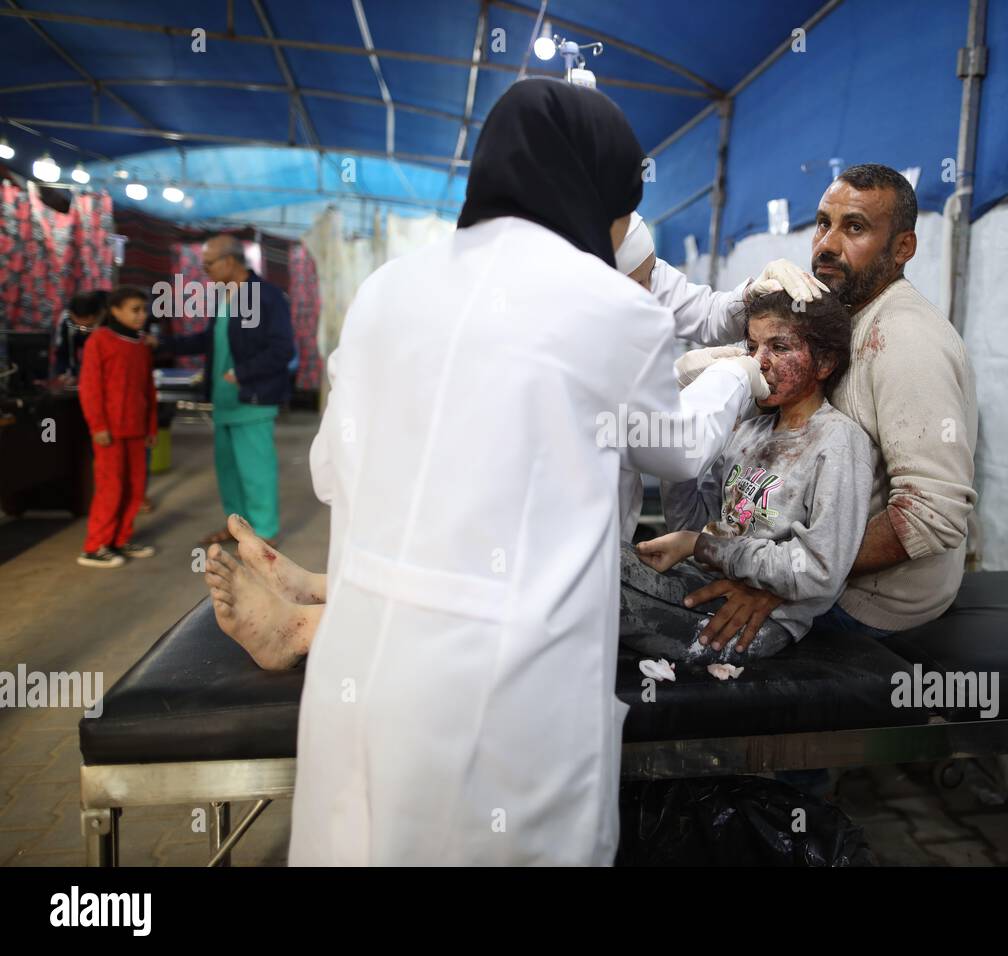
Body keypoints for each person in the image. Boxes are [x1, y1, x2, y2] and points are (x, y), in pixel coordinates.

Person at [269, 78, 767, 866]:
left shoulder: (384, 291)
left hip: (364, 671)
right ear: (595, 190)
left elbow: (330, 469)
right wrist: (736, 374)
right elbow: (677, 448)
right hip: (504, 696)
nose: (619, 231)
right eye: (622, 210)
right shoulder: (608, 306)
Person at [652, 164, 979, 650]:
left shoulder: (908, 341)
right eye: (823, 223)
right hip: (789, 564)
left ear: (903, 248)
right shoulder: (838, 313)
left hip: (869, 601)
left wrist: (779, 584)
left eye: (855, 228)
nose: (826, 244)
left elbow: (933, 514)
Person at [623, 290, 874, 662]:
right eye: (753, 346)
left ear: (823, 364)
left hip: (761, 620)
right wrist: (685, 448)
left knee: (596, 588)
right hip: (708, 583)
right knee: (597, 557)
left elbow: (820, 570)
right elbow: (693, 523)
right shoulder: (749, 432)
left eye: (779, 347)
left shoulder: (838, 441)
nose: (760, 362)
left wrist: (702, 546)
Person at [167, 234, 295, 546]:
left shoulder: (267, 296)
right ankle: (238, 528)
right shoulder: (225, 296)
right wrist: (163, 346)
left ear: (230, 261)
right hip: (224, 402)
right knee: (229, 473)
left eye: (209, 263)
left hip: (252, 399)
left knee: (255, 470)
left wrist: (243, 373)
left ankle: (264, 533)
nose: (205, 269)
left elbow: (282, 349)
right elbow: (210, 340)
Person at [76, 287, 157, 568]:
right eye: (135, 309)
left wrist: (151, 428)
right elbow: (90, 387)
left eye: (144, 310)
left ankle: (120, 539)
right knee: (110, 488)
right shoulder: (99, 340)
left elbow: (148, 389)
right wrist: (97, 425)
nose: (142, 316)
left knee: (135, 488)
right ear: (115, 310)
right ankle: (95, 545)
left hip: (136, 429)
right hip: (109, 432)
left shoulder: (140, 345)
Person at [54, 290, 107, 382]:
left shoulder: (110, 319)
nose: (84, 328)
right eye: (80, 322)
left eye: (91, 321)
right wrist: (63, 372)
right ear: (71, 314)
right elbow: (63, 350)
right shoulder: (67, 320)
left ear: (99, 314)